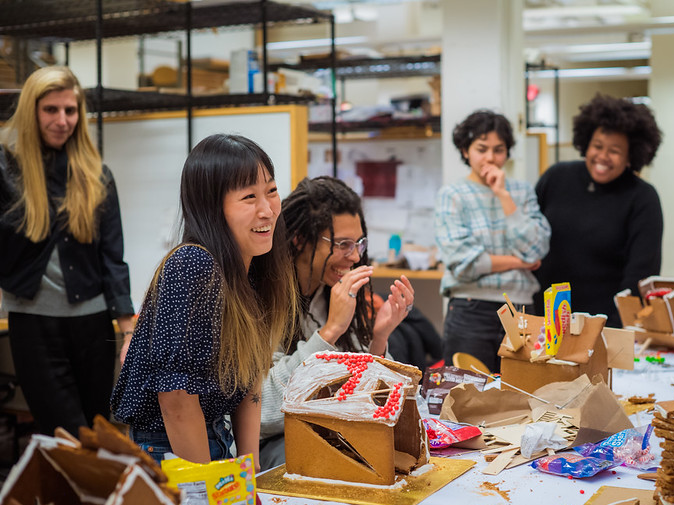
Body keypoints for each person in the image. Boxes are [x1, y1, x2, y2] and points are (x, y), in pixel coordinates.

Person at [111, 133, 297, 467]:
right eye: (248, 197)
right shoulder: (192, 265)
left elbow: (250, 383)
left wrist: (249, 468)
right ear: (212, 207)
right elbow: (176, 401)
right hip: (168, 448)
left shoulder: (253, 266)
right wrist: (209, 488)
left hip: (215, 436)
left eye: (271, 190)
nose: (267, 209)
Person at [0, 66, 135, 437]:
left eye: (70, 111)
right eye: (51, 110)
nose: (63, 121)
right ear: (31, 112)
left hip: (92, 324)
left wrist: (128, 330)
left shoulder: (96, 175)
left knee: (101, 430)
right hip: (33, 324)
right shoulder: (7, 171)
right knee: (66, 434)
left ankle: (105, 497)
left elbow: (112, 257)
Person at [259, 176, 414, 470]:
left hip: (329, 433)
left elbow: (375, 401)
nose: (355, 256)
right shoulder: (262, 297)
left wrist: (378, 339)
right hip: (274, 444)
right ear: (299, 240)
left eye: (358, 243)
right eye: (343, 244)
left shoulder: (329, 291)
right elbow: (263, 413)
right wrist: (329, 332)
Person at [533, 93, 663, 327]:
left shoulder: (642, 198)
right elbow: (528, 236)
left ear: (631, 156)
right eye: (597, 146)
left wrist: (614, 327)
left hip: (602, 325)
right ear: (586, 143)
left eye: (614, 150)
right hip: (543, 320)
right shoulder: (556, 178)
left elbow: (641, 273)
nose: (602, 157)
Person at [435, 110, 551, 373]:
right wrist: (520, 261)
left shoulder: (521, 191)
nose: (490, 157)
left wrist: (502, 194)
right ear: (465, 151)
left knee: (523, 393)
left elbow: (537, 247)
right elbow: (462, 262)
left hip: (523, 310)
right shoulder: (452, 194)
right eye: (481, 149)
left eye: (499, 150)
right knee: (467, 398)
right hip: (470, 309)